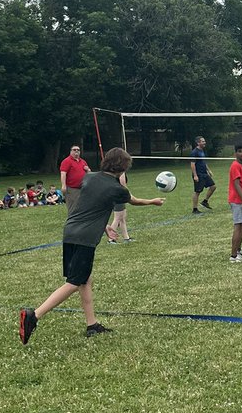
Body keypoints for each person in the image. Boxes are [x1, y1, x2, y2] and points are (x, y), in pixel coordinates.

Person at [19, 147, 163, 343]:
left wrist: (105, 227)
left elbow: (90, 206)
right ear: (122, 167)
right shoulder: (118, 189)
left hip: (70, 231)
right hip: (85, 238)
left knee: (85, 280)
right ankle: (34, 316)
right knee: (74, 282)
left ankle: (92, 324)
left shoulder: (89, 178)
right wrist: (153, 201)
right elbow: (134, 201)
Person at [228, 143, 242, 262]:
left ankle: (238, 249)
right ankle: (234, 255)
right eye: (239, 151)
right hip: (237, 200)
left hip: (240, 200)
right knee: (238, 225)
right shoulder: (235, 165)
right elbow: (236, 184)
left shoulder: (240, 165)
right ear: (235, 153)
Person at [60, 144, 91, 216]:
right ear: (70, 151)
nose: (76, 151)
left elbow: (89, 173)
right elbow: (63, 174)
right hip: (72, 189)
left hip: (83, 188)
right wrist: (63, 186)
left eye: (78, 150)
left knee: (83, 208)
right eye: (74, 150)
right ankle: (72, 222)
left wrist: (88, 170)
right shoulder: (66, 161)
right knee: (73, 209)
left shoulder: (83, 161)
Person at [190, 136, 216, 213]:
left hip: (204, 173)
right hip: (198, 174)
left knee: (213, 187)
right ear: (198, 143)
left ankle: (205, 201)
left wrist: (209, 170)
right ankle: (195, 209)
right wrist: (195, 175)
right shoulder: (194, 152)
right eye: (203, 141)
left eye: (204, 141)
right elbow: (192, 164)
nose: (205, 142)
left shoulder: (202, 151)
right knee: (197, 192)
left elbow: (203, 162)